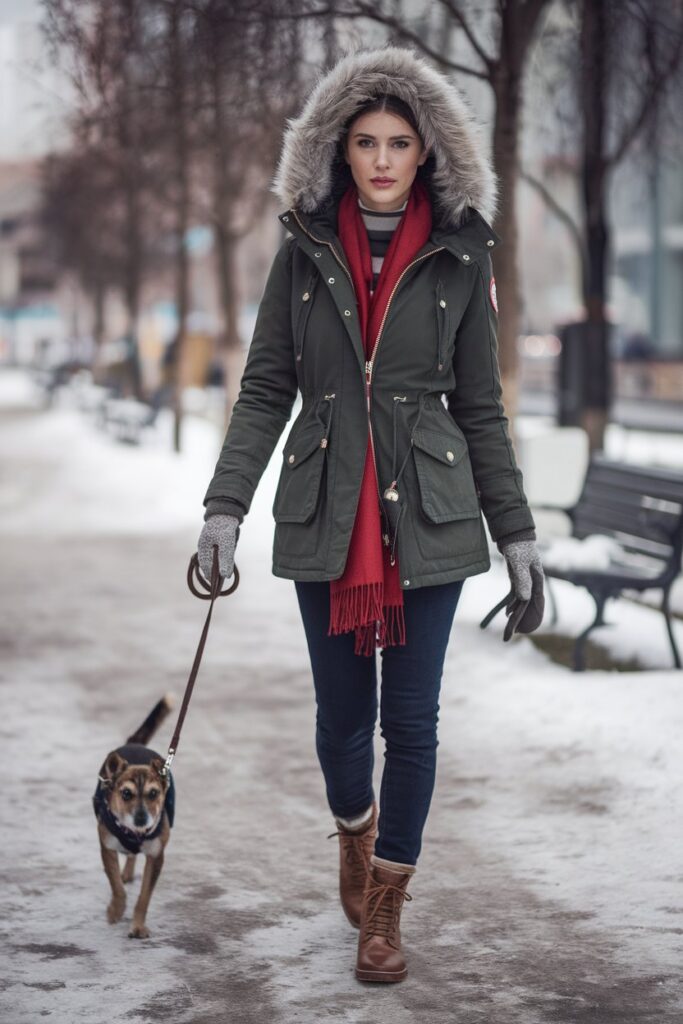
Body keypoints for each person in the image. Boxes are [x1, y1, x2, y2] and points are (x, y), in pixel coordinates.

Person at [197, 46, 545, 984]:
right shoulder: (301, 253)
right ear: (339, 153)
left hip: (429, 521)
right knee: (342, 723)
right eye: (364, 143)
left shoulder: (462, 256)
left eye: (398, 142)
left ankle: (385, 903)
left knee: (415, 723)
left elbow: (480, 406)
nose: (383, 159)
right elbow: (267, 387)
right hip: (326, 514)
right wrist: (224, 508)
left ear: (423, 151)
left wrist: (514, 535)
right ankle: (354, 830)